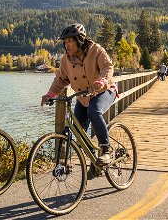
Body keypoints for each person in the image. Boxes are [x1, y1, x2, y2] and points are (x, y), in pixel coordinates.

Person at [40, 23, 118, 167]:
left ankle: (106, 150)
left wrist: (102, 80)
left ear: (80, 39)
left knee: (94, 111)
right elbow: (60, 79)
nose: (67, 45)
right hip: (83, 97)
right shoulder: (66, 60)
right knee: (78, 130)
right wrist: (50, 94)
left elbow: (107, 67)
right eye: (65, 42)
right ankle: (95, 163)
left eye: (70, 41)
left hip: (104, 91)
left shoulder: (96, 50)